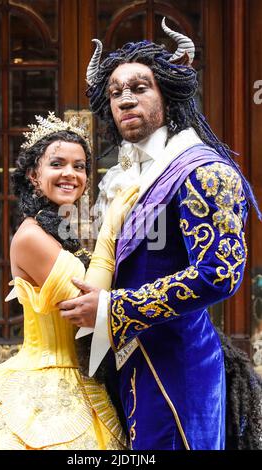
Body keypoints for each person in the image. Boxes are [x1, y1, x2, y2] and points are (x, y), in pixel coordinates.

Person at [58, 19, 262, 450]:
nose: (125, 100)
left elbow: (220, 273)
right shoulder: (130, 175)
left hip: (179, 370)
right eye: (115, 93)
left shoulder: (201, 170)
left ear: (167, 95)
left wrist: (113, 307)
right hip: (133, 362)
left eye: (139, 88)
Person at [0, 112, 139, 450]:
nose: (70, 174)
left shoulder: (58, 230)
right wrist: (112, 226)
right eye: (58, 164)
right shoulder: (31, 237)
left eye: (80, 166)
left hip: (85, 377)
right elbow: (90, 301)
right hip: (46, 383)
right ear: (33, 174)